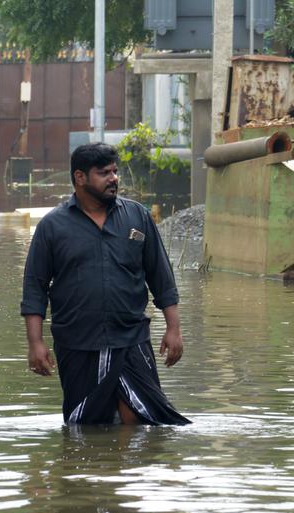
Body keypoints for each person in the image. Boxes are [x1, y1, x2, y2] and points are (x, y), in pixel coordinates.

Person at [20, 143, 190, 426]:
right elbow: (35, 289)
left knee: (140, 417)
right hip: (77, 342)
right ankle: (94, 468)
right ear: (80, 178)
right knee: (85, 424)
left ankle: (129, 469)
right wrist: (35, 343)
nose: (114, 179)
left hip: (131, 338)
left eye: (115, 171)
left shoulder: (137, 217)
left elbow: (161, 277)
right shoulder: (53, 226)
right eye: (104, 173)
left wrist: (174, 329)